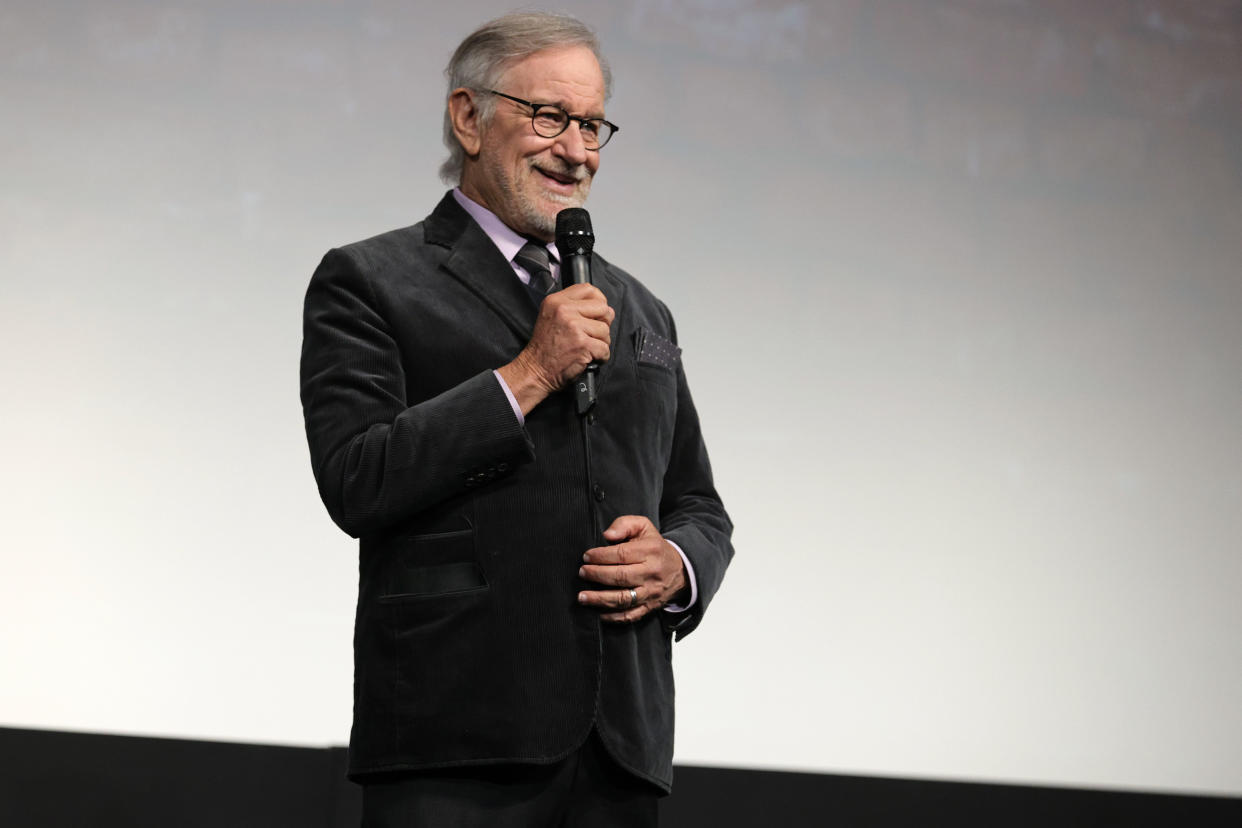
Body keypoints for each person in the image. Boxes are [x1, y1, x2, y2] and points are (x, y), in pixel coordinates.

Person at [299, 11, 733, 826]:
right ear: (469, 117)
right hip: (456, 738)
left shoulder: (642, 309)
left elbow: (700, 505)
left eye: (592, 124)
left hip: (621, 748)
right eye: (549, 118)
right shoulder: (371, 280)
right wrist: (531, 373)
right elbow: (357, 478)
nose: (577, 150)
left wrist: (678, 565)